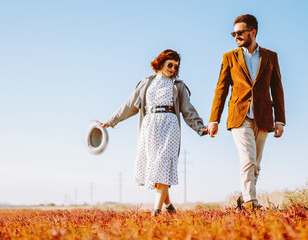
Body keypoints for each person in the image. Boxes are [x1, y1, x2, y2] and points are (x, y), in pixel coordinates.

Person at [100, 49, 207, 216]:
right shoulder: (146, 83)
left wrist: (201, 128)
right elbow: (129, 106)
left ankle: (155, 212)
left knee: (164, 163)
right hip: (149, 127)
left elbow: (188, 110)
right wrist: (111, 120)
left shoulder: (178, 86)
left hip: (170, 125)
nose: (173, 69)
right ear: (161, 63)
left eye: (175, 67)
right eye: (170, 65)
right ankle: (169, 206)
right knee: (156, 168)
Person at [207, 14, 286, 210]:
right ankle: (251, 202)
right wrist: (213, 119)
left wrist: (280, 120)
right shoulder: (229, 57)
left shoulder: (271, 57)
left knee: (256, 165)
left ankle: (244, 201)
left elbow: (277, 88)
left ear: (253, 32)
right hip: (239, 116)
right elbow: (221, 89)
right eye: (234, 33)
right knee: (248, 159)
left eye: (240, 32)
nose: (236, 36)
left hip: (263, 116)